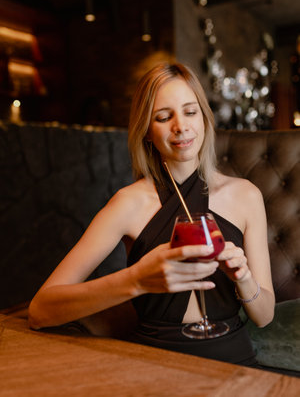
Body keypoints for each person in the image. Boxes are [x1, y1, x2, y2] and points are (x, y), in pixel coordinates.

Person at [28, 62, 275, 366]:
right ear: (146, 130)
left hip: (233, 358)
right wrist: (137, 280)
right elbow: (40, 311)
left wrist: (244, 277)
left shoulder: (246, 195)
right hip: (153, 361)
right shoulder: (127, 203)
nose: (180, 126)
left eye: (190, 111)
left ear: (204, 119)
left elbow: (264, 317)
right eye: (163, 117)